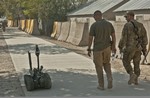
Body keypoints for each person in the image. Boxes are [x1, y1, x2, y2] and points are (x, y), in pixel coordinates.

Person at [87, 10, 116, 90]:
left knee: (99, 66)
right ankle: (109, 78)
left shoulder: (94, 25)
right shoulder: (109, 24)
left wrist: (89, 48)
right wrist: (113, 47)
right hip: (107, 48)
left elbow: (90, 38)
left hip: (97, 49)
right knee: (107, 63)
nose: (94, 18)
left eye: (94, 16)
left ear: (97, 16)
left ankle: (101, 85)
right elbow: (113, 36)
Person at [118, 11, 148, 85]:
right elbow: (145, 37)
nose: (126, 19)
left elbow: (123, 38)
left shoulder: (127, 25)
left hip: (129, 47)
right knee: (136, 63)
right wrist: (144, 47)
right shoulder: (141, 25)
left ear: (131, 16)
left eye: (126, 17)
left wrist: (120, 47)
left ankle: (132, 74)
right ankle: (136, 79)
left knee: (125, 60)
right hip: (139, 47)